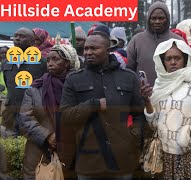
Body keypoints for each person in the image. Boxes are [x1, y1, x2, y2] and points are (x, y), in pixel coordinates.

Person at [59, 31, 144, 179]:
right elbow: (65, 116)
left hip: (122, 159)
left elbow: (139, 114)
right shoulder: (74, 79)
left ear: (108, 50)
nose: (88, 52)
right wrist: (94, 104)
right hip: (88, 160)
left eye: (94, 48)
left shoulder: (128, 78)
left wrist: (133, 136)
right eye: (86, 48)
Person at [141, 38, 191, 179]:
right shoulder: (161, 84)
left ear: (186, 58)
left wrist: (190, 133)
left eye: (177, 58)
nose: (173, 62)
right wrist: (147, 102)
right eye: (168, 58)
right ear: (162, 61)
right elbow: (154, 126)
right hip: (164, 156)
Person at [19, 40, 80, 179]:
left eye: (55, 59)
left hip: (71, 151)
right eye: (48, 60)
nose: (50, 63)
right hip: (39, 152)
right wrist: (47, 135)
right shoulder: (35, 90)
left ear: (68, 63)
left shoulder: (78, 88)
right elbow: (25, 119)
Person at [1, 27, 47, 133]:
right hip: (11, 112)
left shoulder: (43, 62)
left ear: (32, 42)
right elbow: (9, 86)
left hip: (32, 112)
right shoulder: (6, 63)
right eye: (16, 36)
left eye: (22, 36)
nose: (17, 39)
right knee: (10, 142)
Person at [126, 1, 183, 86]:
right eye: (153, 18)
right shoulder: (136, 40)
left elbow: (186, 69)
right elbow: (129, 70)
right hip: (142, 95)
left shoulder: (178, 41)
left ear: (167, 19)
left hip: (173, 94)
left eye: (161, 18)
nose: (157, 21)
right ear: (149, 19)